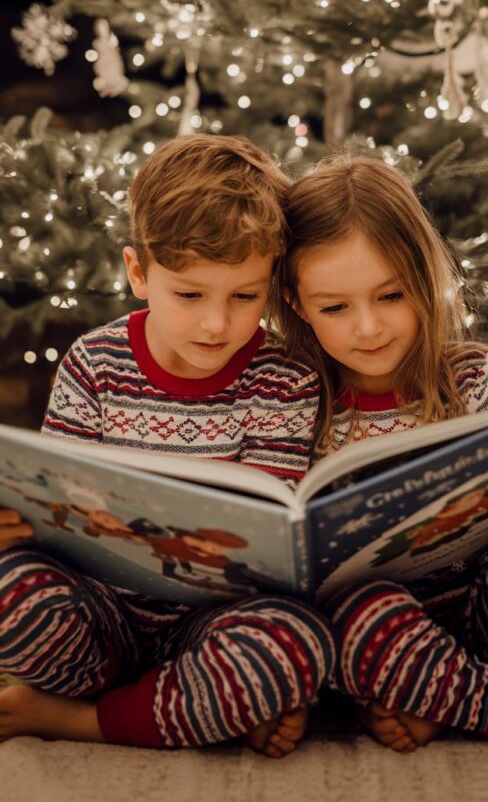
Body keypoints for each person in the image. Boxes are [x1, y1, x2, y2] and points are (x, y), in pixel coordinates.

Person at [0, 134, 334, 757]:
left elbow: (268, 534)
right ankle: (194, 708)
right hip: (102, 618)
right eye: (189, 294)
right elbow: (52, 505)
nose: (217, 323)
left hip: (217, 622)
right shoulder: (93, 362)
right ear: (137, 272)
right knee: (10, 592)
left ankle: (81, 721)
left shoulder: (286, 378)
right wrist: (21, 527)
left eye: (245, 296)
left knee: (297, 642)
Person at [275, 151, 488, 753]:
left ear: (425, 276)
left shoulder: (470, 378)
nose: (368, 328)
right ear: (297, 303)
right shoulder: (288, 401)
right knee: (362, 615)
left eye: (391, 296)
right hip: (373, 631)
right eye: (335, 307)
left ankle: (459, 697)